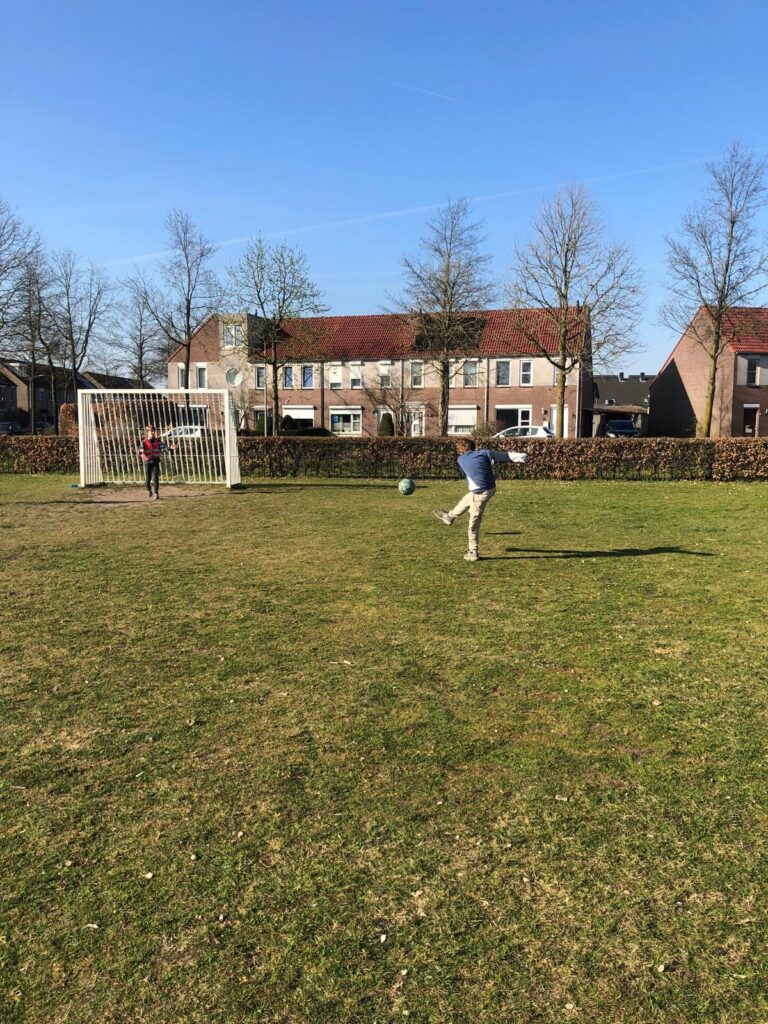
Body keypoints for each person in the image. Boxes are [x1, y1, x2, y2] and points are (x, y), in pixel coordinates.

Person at [433, 438, 528, 561]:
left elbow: (472, 468)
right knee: (466, 499)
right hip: (490, 488)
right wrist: (522, 456)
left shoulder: (460, 459)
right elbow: (505, 456)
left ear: (461, 450)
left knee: (474, 522)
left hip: (480, 493)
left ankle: (472, 551)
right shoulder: (484, 453)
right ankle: (450, 516)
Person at [140, 425, 165, 500]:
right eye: (152, 431)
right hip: (148, 461)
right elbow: (140, 449)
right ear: (148, 432)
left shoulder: (158, 440)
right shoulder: (144, 442)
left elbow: (163, 448)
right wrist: (141, 450)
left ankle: (156, 493)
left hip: (155, 461)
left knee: (156, 477)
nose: (153, 433)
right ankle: (148, 489)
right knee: (148, 477)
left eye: (154, 431)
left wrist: (170, 448)